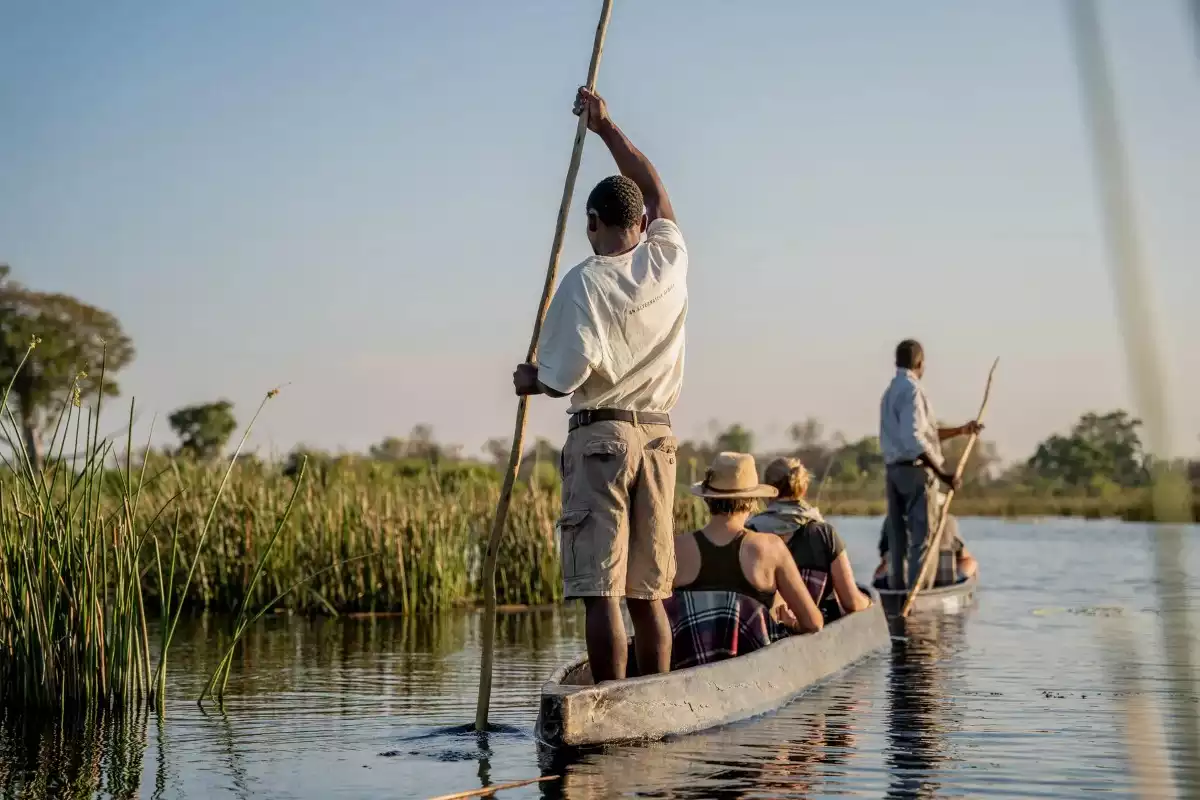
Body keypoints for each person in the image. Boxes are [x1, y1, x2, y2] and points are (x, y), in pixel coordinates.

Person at [513, 87, 687, 683]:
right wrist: (608, 129)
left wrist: (530, 379)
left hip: (604, 437)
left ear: (591, 223)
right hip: (659, 440)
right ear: (642, 223)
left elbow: (566, 380)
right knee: (647, 594)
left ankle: (611, 707)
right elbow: (656, 187)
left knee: (603, 590)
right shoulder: (668, 259)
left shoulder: (584, 282)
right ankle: (655, 703)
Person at [673, 452, 824, 635]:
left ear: (708, 498)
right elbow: (813, 623)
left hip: (693, 661)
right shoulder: (771, 548)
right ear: (753, 500)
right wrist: (791, 624)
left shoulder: (677, 547)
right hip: (755, 659)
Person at [879, 339, 982, 591]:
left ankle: (898, 590)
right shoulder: (912, 391)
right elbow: (914, 439)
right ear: (920, 363)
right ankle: (917, 595)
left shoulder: (891, 392)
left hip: (894, 472)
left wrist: (961, 430)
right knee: (922, 540)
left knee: (898, 537)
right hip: (915, 472)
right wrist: (942, 473)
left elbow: (926, 434)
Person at [746, 457, 872, 622]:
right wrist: (870, 602)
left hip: (767, 629)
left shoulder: (750, 533)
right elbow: (852, 603)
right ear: (803, 489)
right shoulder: (824, 533)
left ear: (768, 493)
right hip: (816, 623)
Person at [873, 499, 978, 587]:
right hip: (942, 584)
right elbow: (964, 556)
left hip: (900, 585)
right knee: (971, 563)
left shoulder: (891, 521)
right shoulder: (946, 520)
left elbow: (885, 561)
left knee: (881, 571)